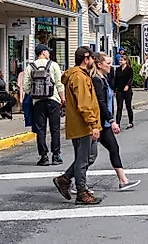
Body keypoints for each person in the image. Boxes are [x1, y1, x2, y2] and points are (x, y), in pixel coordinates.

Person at [78, 53, 140, 192]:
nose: (110, 65)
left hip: (103, 123)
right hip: (97, 123)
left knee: (113, 148)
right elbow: (100, 103)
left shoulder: (103, 78)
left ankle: (123, 180)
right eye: (108, 63)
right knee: (89, 156)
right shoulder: (96, 80)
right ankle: (69, 179)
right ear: (99, 65)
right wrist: (112, 120)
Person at [52, 47, 102, 205]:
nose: (93, 61)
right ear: (86, 59)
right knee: (82, 159)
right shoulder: (78, 77)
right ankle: (81, 191)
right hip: (82, 125)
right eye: (92, 58)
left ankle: (65, 179)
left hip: (84, 124)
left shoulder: (80, 75)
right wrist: (92, 123)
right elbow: (84, 103)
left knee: (89, 156)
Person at [23, 44, 65, 166]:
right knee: (55, 129)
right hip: (53, 100)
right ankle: (56, 155)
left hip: (37, 102)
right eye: (48, 51)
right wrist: (62, 98)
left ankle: (44, 156)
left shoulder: (30, 67)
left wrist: (34, 93)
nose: (49, 53)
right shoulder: (53, 65)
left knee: (40, 130)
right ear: (43, 52)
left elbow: (25, 86)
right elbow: (59, 84)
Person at [113, 55, 134, 127]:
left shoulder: (129, 69)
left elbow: (131, 79)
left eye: (121, 60)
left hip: (127, 90)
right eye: (120, 60)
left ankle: (131, 121)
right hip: (119, 90)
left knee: (128, 106)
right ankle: (118, 123)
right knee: (119, 107)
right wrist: (114, 90)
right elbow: (115, 80)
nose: (120, 61)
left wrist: (128, 85)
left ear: (125, 61)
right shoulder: (118, 69)